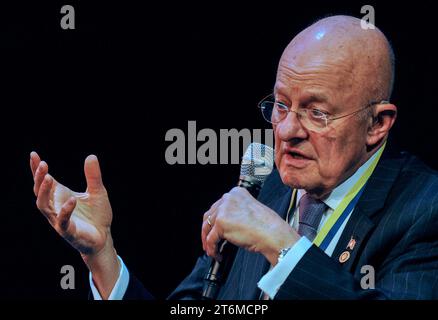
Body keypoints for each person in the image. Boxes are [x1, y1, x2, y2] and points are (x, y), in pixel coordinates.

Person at [30, 15, 438, 300]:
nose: (286, 131)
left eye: (317, 113)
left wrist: (281, 244)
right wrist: (101, 256)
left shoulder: (424, 208)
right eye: (280, 106)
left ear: (377, 124)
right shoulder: (263, 189)